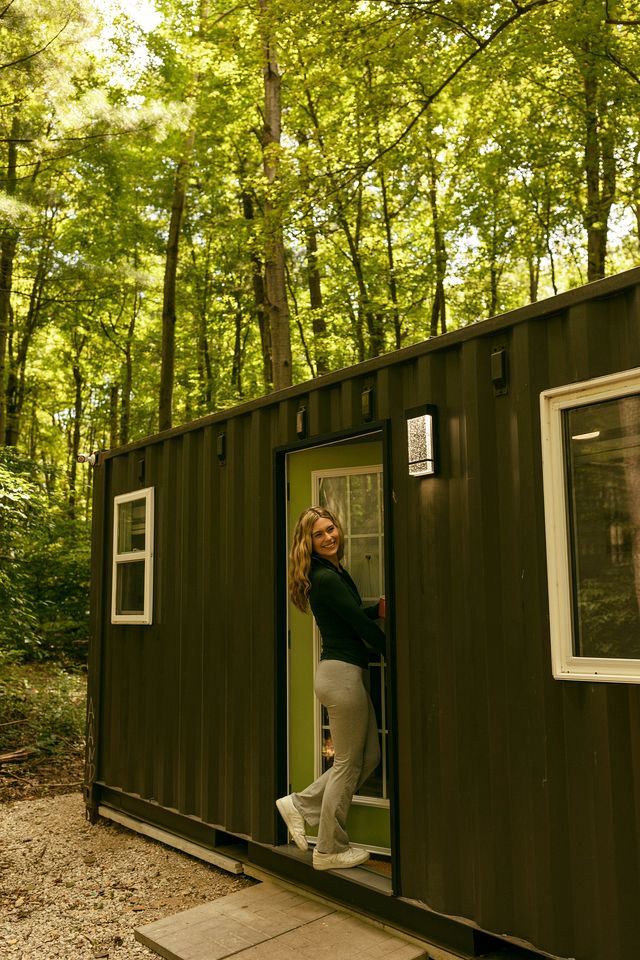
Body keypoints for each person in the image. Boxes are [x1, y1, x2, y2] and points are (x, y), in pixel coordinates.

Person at [276, 506, 387, 871]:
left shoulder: (331, 573)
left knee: (367, 758)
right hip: (341, 677)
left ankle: (301, 805)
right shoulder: (325, 578)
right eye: (319, 534)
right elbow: (356, 626)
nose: (329, 537)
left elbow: (351, 616)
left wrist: (376, 611)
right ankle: (328, 849)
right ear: (308, 543)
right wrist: (394, 651)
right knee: (345, 764)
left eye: (331, 529)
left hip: (343, 674)